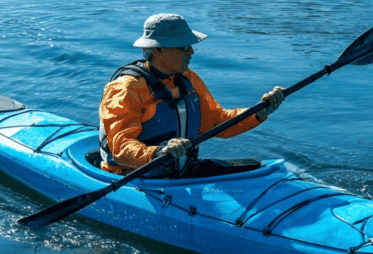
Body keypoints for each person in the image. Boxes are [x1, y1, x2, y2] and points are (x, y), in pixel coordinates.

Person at [98, 13, 284, 178]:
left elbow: (217, 122)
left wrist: (259, 112)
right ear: (157, 49)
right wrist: (159, 152)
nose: (191, 51)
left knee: (262, 169)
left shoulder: (187, 78)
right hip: (137, 179)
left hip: (181, 171)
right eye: (183, 46)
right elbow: (121, 147)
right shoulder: (126, 88)